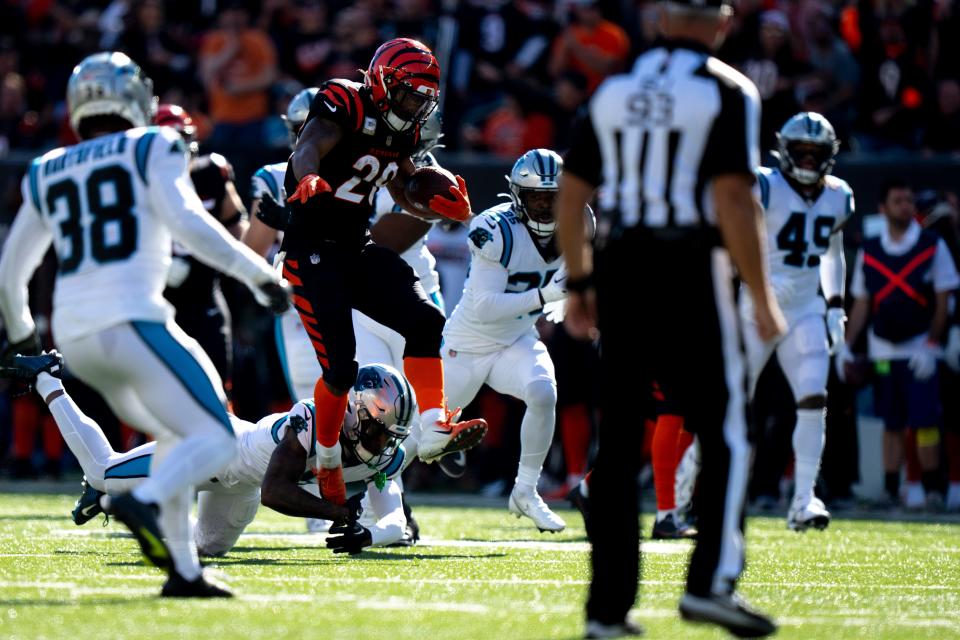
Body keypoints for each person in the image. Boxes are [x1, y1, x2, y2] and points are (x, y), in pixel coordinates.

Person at [0, 52, 289, 597]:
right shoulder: (153, 144)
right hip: (134, 322)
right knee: (220, 439)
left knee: (180, 438)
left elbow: (11, 272)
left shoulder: (46, 168)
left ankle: (182, 571)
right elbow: (190, 224)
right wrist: (258, 276)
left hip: (77, 337)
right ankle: (145, 502)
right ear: (134, 99)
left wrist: (22, 339)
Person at [555, 0, 786, 636]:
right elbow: (735, 198)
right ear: (722, 20)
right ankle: (710, 582)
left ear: (659, 19)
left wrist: (580, 283)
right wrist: (762, 297)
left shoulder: (615, 89)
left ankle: (607, 610)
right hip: (689, 266)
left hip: (622, 265)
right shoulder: (727, 89)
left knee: (619, 434)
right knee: (727, 429)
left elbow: (572, 196)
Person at [281, 38, 486, 507]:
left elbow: (404, 187)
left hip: (355, 246)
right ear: (383, 83)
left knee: (425, 320)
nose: (415, 106)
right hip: (312, 251)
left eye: (423, 99)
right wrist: (309, 176)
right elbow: (309, 144)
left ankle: (434, 426)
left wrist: (437, 205)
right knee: (340, 370)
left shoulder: (404, 132)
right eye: (410, 94)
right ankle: (328, 458)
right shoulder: (344, 100)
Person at [1, 353, 409, 556]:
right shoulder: (311, 417)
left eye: (388, 435)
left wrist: (370, 535)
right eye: (376, 430)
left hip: (240, 486)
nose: (380, 443)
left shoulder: (382, 452)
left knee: (207, 548)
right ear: (356, 410)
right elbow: (275, 491)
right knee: (101, 468)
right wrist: (337, 514)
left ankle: (111, 498)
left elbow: (396, 521)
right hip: (218, 450)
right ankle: (45, 377)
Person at [442, 149, 591, 532]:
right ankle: (369, 492)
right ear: (516, 195)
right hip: (468, 341)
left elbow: (581, 276)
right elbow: (488, 307)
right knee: (421, 437)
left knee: (543, 392)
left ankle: (525, 490)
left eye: (552, 197)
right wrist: (547, 296)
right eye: (536, 197)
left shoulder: (579, 224)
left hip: (516, 338)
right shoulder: (496, 228)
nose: (544, 206)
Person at [741, 111, 853, 531]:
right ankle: (686, 492)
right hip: (756, 304)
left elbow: (833, 252)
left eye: (815, 153)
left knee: (813, 399)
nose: (807, 160)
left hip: (806, 307)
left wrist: (835, 304)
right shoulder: (764, 184)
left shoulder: (839, 194)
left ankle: (804, 499)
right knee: (731, 401)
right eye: (800, 152)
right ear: (785, 151)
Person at [838, 180, 959, 509]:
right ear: (882, 208)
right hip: (883, 350)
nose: (905, 206)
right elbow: (862, 302)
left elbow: (943, 297)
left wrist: (932, 344)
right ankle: (891, 490)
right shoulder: (871, 249)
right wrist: (847, 346)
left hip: (920, 348)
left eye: (908, 200)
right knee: (890, 422)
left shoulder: (932, 245)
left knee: (925, 423)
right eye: (897, 200)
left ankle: (933, 488)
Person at [157, 104, 248, 387]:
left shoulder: (211, 172)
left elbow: (237, 228)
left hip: (205, 293)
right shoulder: (135, 184)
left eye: (181, 140)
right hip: (157, 301)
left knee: (218, 386)